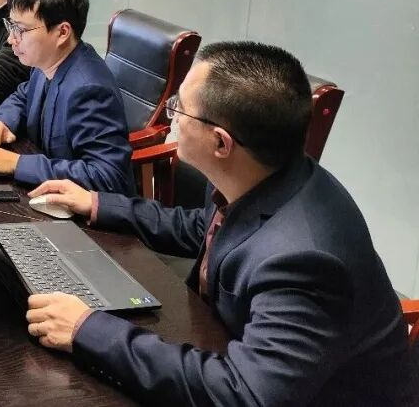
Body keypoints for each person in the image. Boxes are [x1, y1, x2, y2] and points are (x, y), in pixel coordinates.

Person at [23, 42, 410, 406]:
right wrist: (97, 203)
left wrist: (88, 330)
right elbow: (204, 229)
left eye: (179, 108)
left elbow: (244, 394)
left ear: (221, 143)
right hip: (228, 345)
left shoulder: (306, 260)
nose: (171, 116)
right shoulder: (261, 172)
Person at [0, 0, 134, 195]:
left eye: (21, 30)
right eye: (11, 26)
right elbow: (24, 95)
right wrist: (2, 120)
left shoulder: (89, 90)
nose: (11, 39)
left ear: (62, 33)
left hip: (79, 211)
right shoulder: (47, 61)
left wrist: (16, 163)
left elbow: (107, 177)